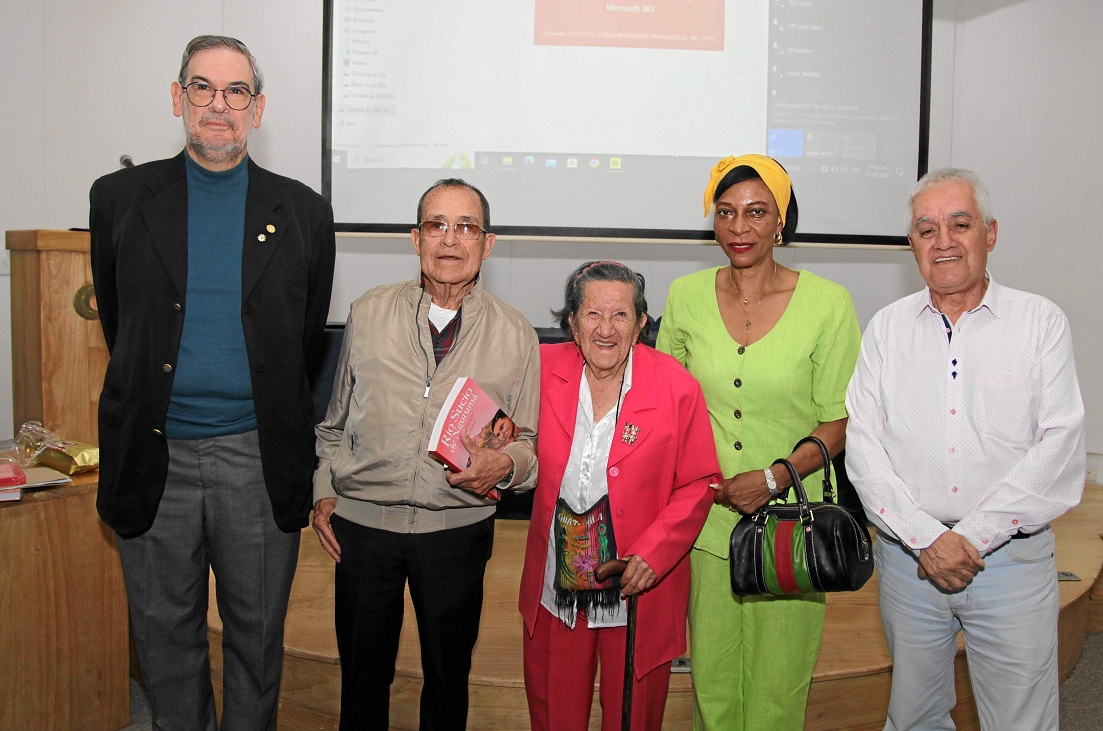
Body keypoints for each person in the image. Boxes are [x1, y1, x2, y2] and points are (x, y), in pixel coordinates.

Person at [88, 35, 336, 730]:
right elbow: (121, 320)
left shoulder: (303, 212)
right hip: (154, 454)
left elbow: (304, 335)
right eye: (202, 88)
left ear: (257, 109)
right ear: (178, 98)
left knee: (257, 640)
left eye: (235, 92)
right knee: (165, 637)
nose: (218, 105)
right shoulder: (119, 199)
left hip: (257, 461)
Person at [845, 168, 1085, 730]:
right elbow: (863, 446)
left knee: (1021, 721)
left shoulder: (1039, 323)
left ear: (991, 233)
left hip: (1010, 563)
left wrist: (968, 539)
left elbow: (1059, 446)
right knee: (914, 717)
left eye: (960, 223)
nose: (943, 241)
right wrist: (927, 538)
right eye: (926, 230)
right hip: (909, 563)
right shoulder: (886, 330)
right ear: (912, 244)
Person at [311, 178, 539, 730]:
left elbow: (529, 445)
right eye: (437, 225)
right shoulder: (367, 313)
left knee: (446, 682)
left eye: (466, 227)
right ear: (415, 239)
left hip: (456, 535)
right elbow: (333, 422)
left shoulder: (517, 333)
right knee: (362, 683)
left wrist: (503, 465)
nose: (450, 239)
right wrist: (322, 491)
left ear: (487, 244)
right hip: (363, 533)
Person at [656, 154, 861, 730]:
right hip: (708, 525)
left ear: (781, 221)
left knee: (776, 693)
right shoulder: (685, 297)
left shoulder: (828, 303)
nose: (739, 228)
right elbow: (666, 407)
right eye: (726, 213)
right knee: (713, 692)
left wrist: (772, 478)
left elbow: (838, 421)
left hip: (793, 524)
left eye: (755, 212)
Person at [519, 260, 718, 731]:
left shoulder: (675, 387)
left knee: (633, 715)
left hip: (639, 583)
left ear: (641, 324)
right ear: (570, 321)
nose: (606, 329)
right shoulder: (541, 370)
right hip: (558, 580)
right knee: (554, 709)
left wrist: (654, 553)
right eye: (592, 314)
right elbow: (505, 436)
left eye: (621, 315)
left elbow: (699, 482)